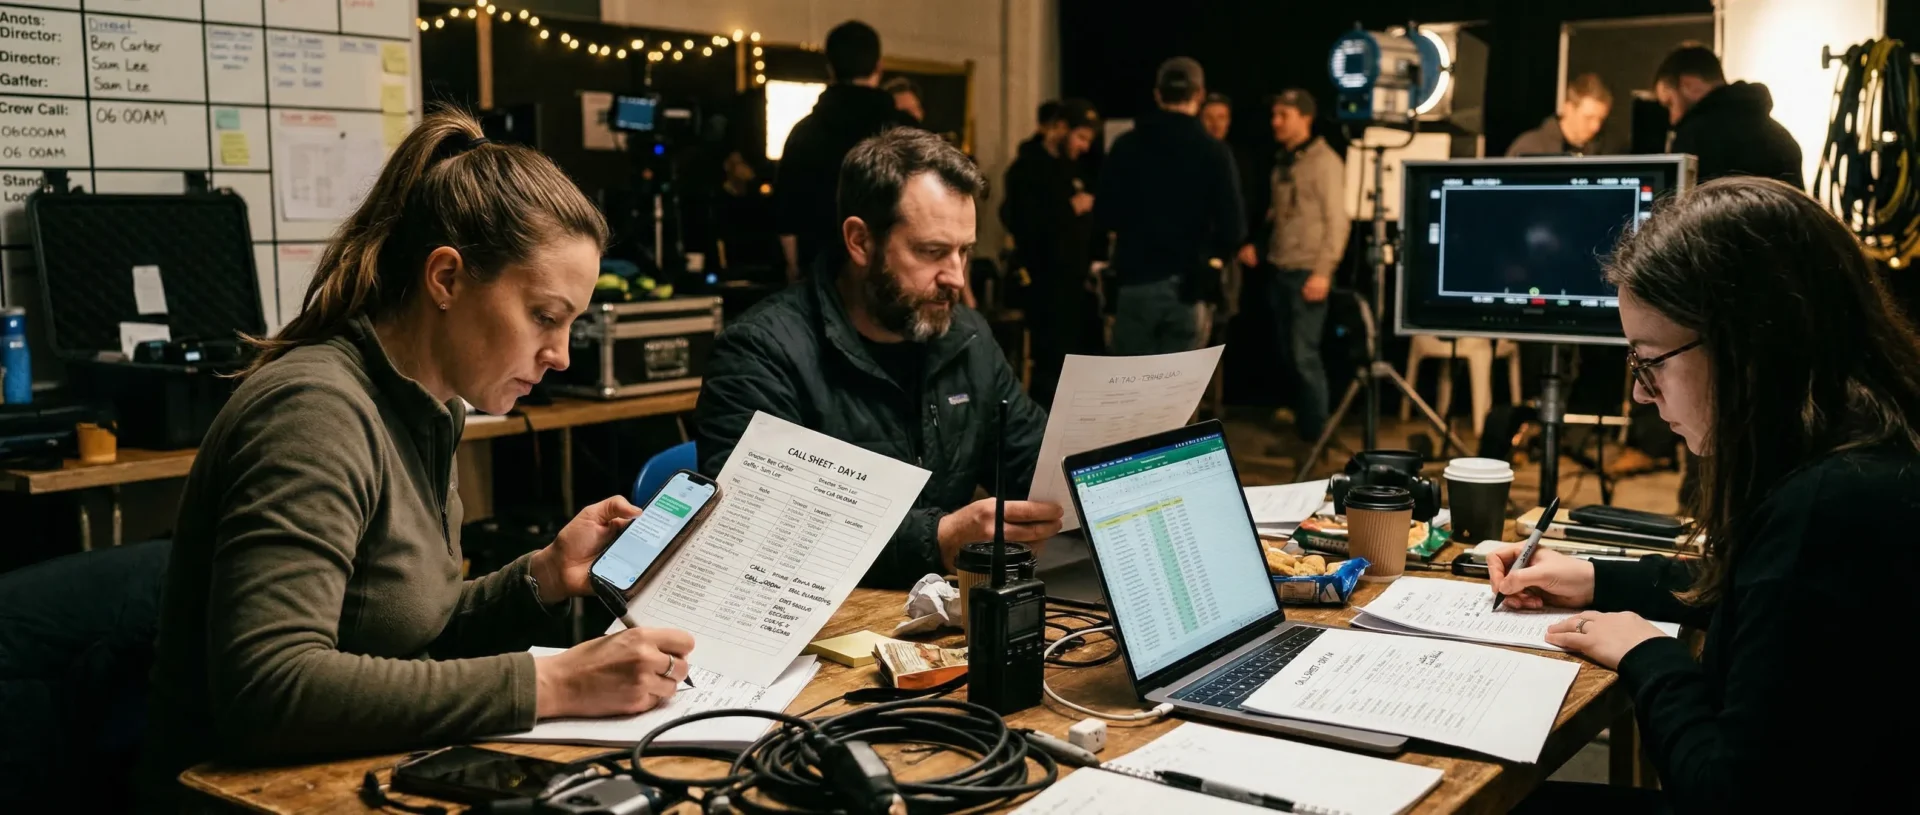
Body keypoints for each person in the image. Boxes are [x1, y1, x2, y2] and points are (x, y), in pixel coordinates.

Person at [137, 110, 697, 808]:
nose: (559, 355)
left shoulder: (424, 410)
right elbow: (270, 685)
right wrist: (553, 683)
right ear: (445, 277)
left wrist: (544, 577)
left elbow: (401, 636)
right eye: (545, 316)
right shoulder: (315, 412)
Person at [1494, 177, 1915, 814]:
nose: (1640, 394)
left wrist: (1649, 655)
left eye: (1649, 361)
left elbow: (1727, 793)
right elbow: (1765, 592)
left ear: (1746, 344)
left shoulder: (1828, 508)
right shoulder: (1869, 458)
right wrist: (1594, 578)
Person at [695, 128, 1062, 588]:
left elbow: (1031, 459)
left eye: (964, 251)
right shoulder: (761, 352)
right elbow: (755, 522)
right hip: (816, 625)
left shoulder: (967, 337)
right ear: (860, 241)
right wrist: (938, 537)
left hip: (937, 613)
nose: (955, 277)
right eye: (932, 252)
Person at [1613, 44, 1805, 480]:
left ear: (1690, 84)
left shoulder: (1698, 136)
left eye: (1670, 103)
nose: (1672, 116)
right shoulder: (1780, 136)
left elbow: (1675, 257)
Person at [1096, 57, 1245, 355]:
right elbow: (1234, 229)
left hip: (1135, 282)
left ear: (1157, 94)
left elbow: (1105, 214)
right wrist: (1210, 260)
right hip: (1188, 288)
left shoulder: (1126, 146)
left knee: (1130, 391)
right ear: (1200, 95)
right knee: (1175, 397)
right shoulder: (1214, 152)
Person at [1241, 89, 1348, 457]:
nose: (1275, 122)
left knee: (1305, 354)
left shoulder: (1325, 162)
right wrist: (1257, 242)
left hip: (1307, 272)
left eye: (1283, 115)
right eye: (1274, 115)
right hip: (1281, 267)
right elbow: (1276, 212)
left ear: (1305, 117)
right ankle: (1304, 424)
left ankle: (1315, 436)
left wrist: (1323, 272)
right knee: (1288, 352)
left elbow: (1338, 222)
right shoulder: (1284, 161)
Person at [773, 20, 916, 284]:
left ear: (830, 68)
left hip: (822, 279)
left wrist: (795, 270)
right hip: (895, 277)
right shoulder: (906, 131)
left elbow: (786, 217)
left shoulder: (804, 133)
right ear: (879, 66)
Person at [1002, 99, 1100, 407]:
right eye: (1080, 137)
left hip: (1075, 284)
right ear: (1060, 128)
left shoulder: (1073, 169)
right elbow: (1022, 223)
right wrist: (1069, 210)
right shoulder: (1026, 168)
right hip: (1044, 285)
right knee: (1050, 368)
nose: (1084, 147)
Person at [1506, 72, 1613, 157]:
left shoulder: (1598, 152)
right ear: (1568, 109)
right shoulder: (1529, 148)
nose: (1596, 127)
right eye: (1588, 118)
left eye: (1600, 119)